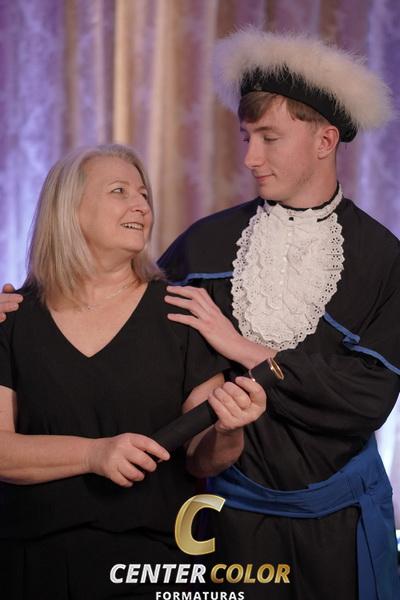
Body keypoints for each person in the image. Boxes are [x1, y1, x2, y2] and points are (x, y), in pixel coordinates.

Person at [157, 30, 400, 599]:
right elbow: (127, 327)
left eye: (269, 137)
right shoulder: (205, 245)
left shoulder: (383, 259)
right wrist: (26, 310)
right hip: (229, 523)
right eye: (246, 137)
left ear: (325, 140)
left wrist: (243, 349)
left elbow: (367, 396)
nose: (250, 158)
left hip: (339, 529)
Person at [0, 143, 267, 600]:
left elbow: (202, 457)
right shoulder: (13, 319)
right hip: (27, 568)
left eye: (144, 194)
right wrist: (94, 454)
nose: (141, 205)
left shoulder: (181, 313)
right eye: (119, 191)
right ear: (69, 208)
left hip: (150, 567)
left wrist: (229, 431)